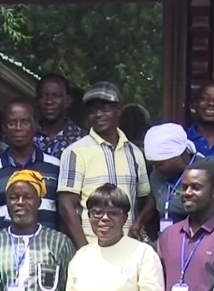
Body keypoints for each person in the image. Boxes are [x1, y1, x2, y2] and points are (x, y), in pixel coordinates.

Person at [56, 82, 151, 247]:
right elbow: (66, 206)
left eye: (105, 109)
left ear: (119, 109)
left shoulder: (135, 153)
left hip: (128, 250)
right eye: (92, 110)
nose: (98, 114)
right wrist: (85, 250)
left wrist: (139, 223)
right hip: (92, 247)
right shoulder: (75, 152)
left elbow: (145, 199)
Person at [0, 98, 60, 235]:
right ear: (4, 127)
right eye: (12, 123)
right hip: (4, 251)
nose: (18, 128)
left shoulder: (55, 167)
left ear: (35, 125)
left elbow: (63, 216)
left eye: (25, 122)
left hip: (48, 250)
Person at [143, 122, 214, 233]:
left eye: (159, 164)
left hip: (204, 236)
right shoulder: (157, 176)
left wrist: (177, 237)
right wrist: (139, 223)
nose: (155, 169)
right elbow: (154, 199)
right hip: (166, 239)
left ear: (177, 157)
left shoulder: (209, 167)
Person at [33, 73, 85, 157]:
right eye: (43, 96)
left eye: (56, 96)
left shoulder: (82, 140)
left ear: (68, 101)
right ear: (36, 101)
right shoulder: (27, 133)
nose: (49, 101)